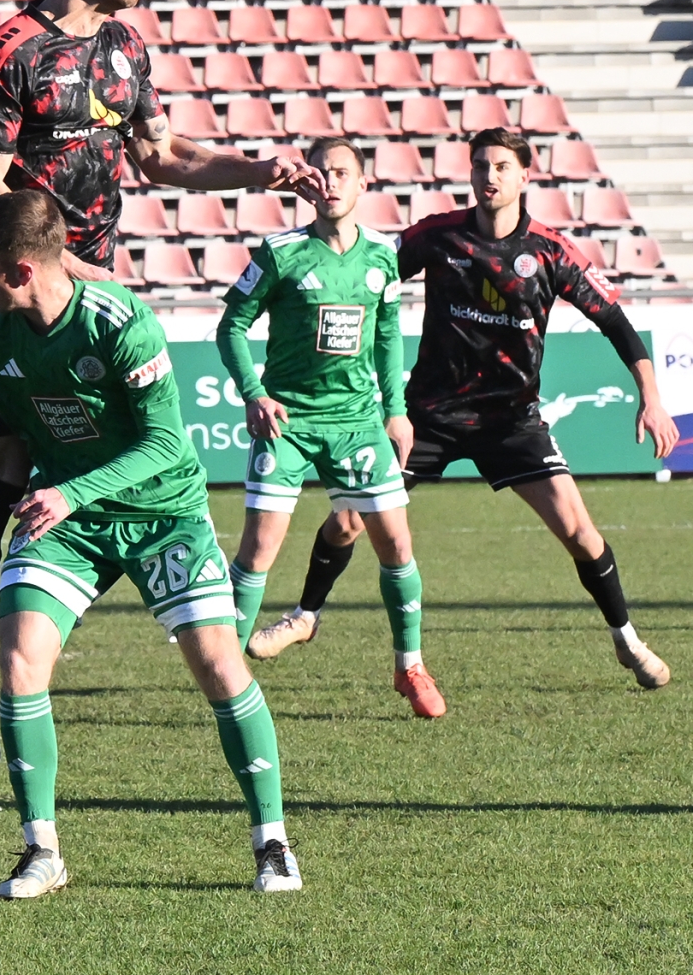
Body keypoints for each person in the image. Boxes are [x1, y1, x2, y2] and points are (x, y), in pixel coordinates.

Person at [0, 0, 323, 766]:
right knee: (6, 454)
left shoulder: (126, 46)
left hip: (92, 294)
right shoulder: (2, 53)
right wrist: (60, 267)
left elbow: (161, 155)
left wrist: (261, 171)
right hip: (23, 283)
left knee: (49, 455)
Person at [0, 190, 301, 897]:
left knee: (218, 665)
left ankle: (272, 842)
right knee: (20, 660)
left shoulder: (121, 323)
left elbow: (166, 442)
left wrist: (70, 491)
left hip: (161, 513)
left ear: (21, 270)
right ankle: (41, 851)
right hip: (70, 524)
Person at [277, 128, 677, 688]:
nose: (490, 177)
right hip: (429, 417)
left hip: (510, 421)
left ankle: (627, 640)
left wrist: (652, 399)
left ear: (524, 176)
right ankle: (305, 616)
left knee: (579, 531)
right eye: (481, 166)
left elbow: (615, 321)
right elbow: (365, 272)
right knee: (346, 519)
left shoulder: (550, 251)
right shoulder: (438, 236)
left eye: (502, 167)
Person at [214, 140, 443, 718]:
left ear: (363, 184)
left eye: (344, 173)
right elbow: (231, 326)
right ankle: (228, 674)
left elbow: (388, 336)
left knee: (396, 544)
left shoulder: (383, 256)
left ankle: (409, 666)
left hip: (356, 423)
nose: (332, 182)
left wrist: (396, 410)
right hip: (287, 421)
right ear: (307, 183)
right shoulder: (280, 252)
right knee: (258, 550)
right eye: (323, 173)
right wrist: (254, 394)